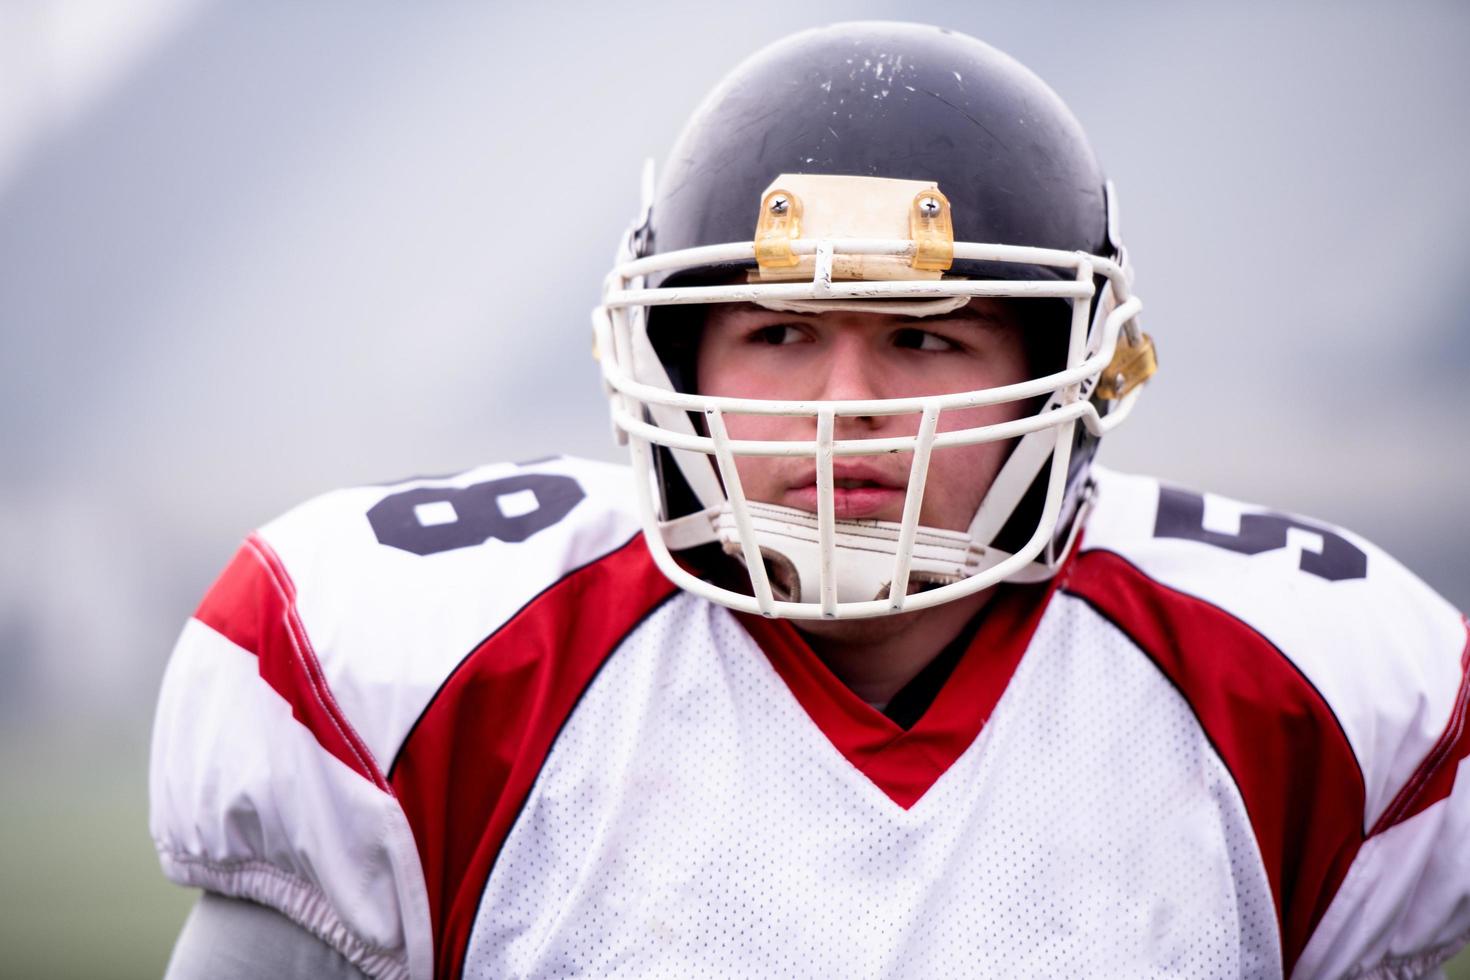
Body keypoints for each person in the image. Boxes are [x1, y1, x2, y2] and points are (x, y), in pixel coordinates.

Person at [151, 21, 1469, 980]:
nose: (848, 407)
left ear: (1069, 375)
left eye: (924, 337)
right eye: (779, 334)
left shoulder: (1294, 693)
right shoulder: (443, 669)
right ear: (674, 360)